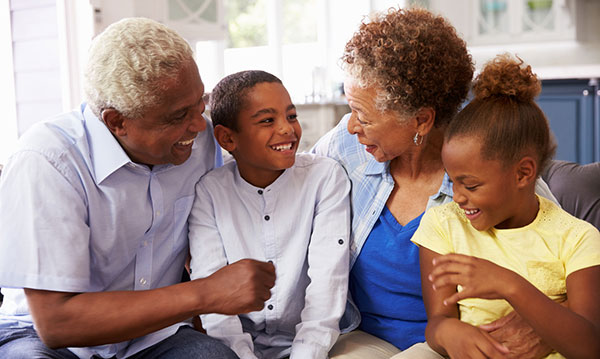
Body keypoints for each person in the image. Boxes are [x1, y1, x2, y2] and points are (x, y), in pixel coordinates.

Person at [0, 18, 275, 359]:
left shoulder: (198, 142)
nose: (197, 124)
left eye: (198, 103)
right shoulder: (47, 161)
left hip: (155, 335)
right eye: (177, 116)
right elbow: (57, 323)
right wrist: (207, 294)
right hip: (44, 340)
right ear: (117, 122)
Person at [312, 7, 559, 359]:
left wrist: (546, 325)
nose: (352, 126)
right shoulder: (347, 148)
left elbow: (568, 253)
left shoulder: (484, 163)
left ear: (421, 120)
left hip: (455, 343)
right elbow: (286, 191)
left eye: (363, 116)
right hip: (360, 335)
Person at [411, 54, 600, 359]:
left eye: (470, 185)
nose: (457, 196)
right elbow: (438, 321)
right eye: (452, 181)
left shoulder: (577, 238)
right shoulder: (443, 225)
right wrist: (447, 332)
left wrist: (510, 286)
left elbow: (590, 345)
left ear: (523, 173)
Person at [188, 70, 351, 359]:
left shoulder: (325, 178)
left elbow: (327, 284)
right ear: (227, 138)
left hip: (315, 344)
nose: (287, 129)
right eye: (267, 121)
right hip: (234, 349)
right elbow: (214, 294)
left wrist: (306, 354)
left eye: (291, 116)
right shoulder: (210, 192)